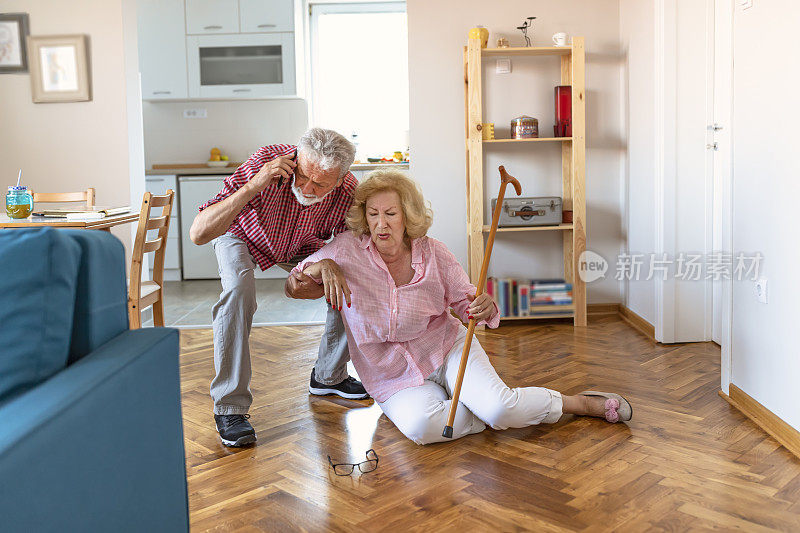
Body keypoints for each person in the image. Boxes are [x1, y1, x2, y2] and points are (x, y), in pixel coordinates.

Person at [286, 169, 632, 445]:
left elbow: (468, 301)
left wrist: (483, 305)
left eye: (390, 213)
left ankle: (577, 403)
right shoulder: (346, 251)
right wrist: (321, 268)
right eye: (373, 214)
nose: (381, 223)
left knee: (500, 408)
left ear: (407, 216)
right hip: (390, 373)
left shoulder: (433, 252)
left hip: (446, 349)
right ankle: (483, 405)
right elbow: (294, 284)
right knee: (424, 429)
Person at [190, 128, 369, 448]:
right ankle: (229, 407)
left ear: (340, 181)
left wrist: (320, 269)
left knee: (352, 276)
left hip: (300, 245)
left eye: (320, 184)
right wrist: (255, 184)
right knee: (239, 290)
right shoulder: (266, 161)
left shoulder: (349, 192)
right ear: (297, 160)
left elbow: (344, 251)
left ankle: (329, 376)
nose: (307, 188)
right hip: (242, 233)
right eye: (302, 176)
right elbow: (199, 233)